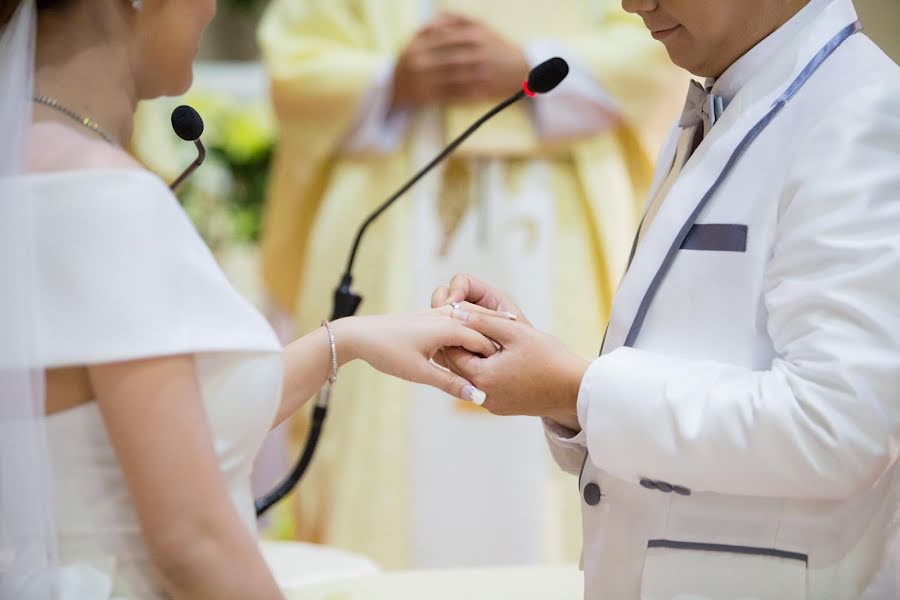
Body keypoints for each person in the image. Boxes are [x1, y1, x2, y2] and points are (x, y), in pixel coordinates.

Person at [0, 1, 499, 598]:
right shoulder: (106, 198)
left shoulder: (32, 169)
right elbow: (191, 541)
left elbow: (104, 435)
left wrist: (349, 341)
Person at [431, 0, 900, 597]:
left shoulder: (864, 114)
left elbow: (838, 426)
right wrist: (561, 386)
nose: (633, 3)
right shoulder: (728, 96)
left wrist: (576, 389)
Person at [256, 0, 683, 568]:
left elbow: (657, 55)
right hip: (399, 189)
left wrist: (528, 64)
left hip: (554, 204)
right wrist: (390, 80)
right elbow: (297, 60)